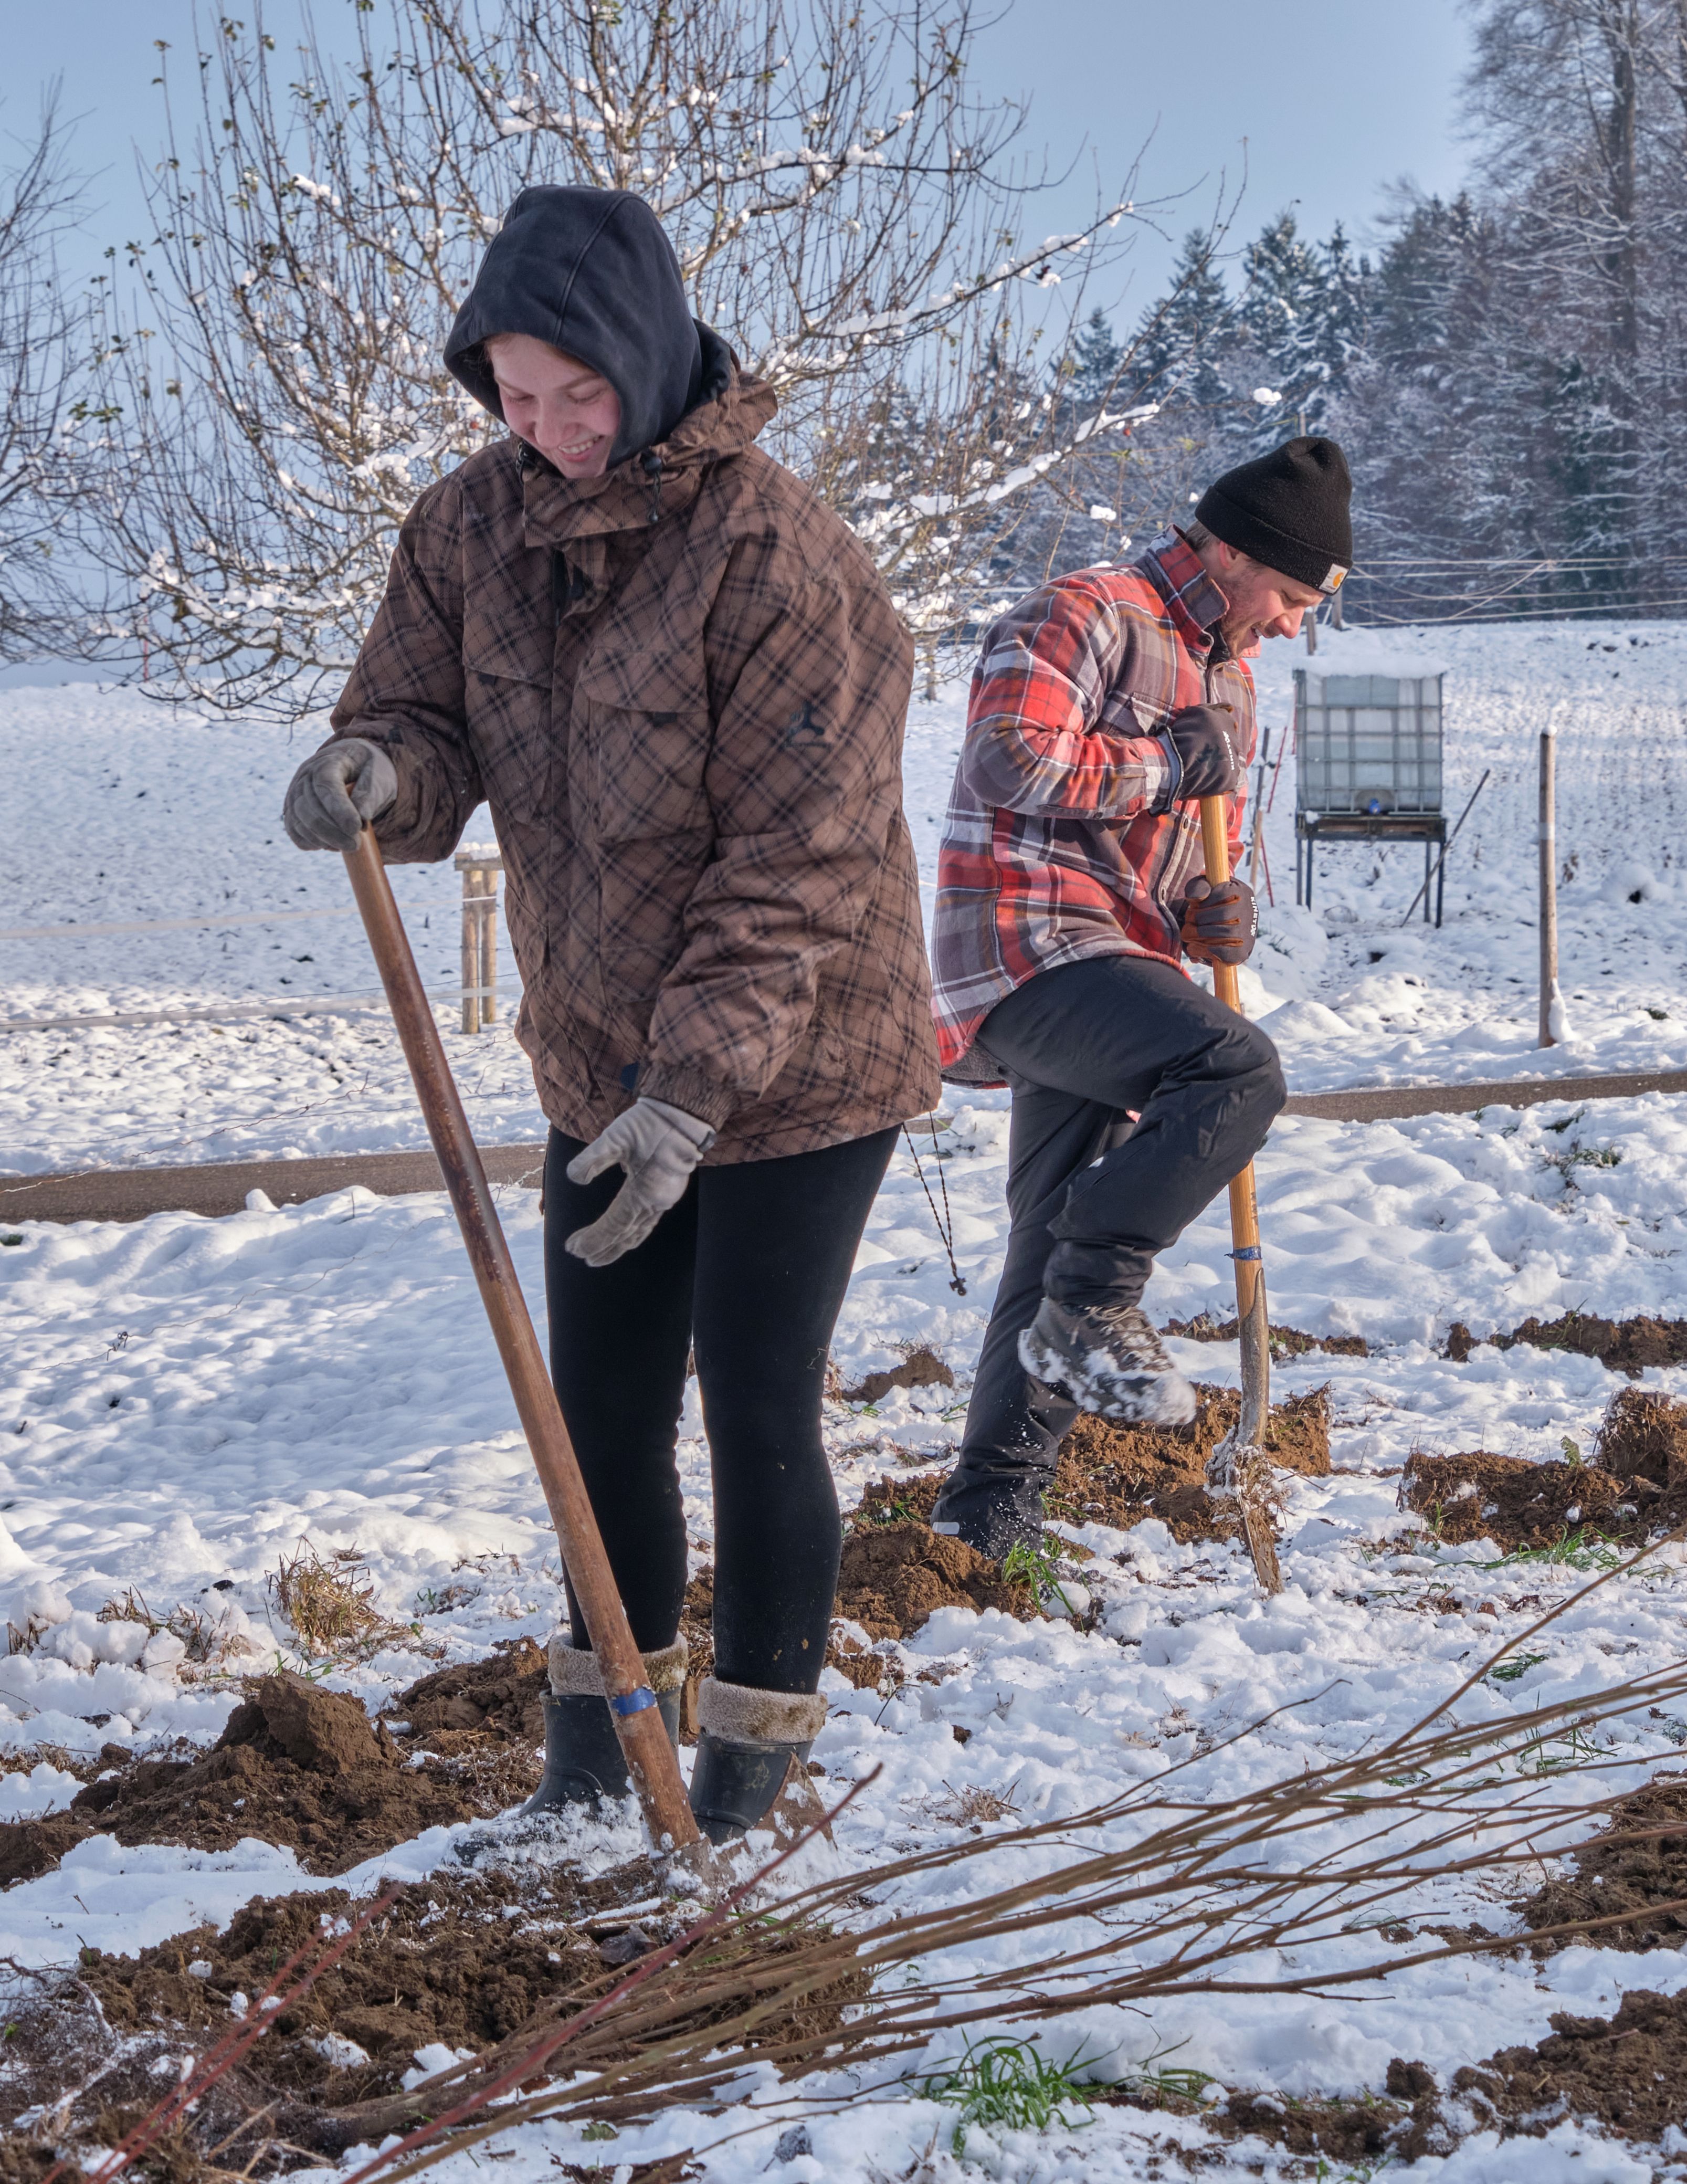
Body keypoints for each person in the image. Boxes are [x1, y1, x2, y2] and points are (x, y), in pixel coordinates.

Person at [281, 185, 940, 1840]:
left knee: (754, 1400)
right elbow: (422, 715)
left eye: (579, 394)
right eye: (514, 396)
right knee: (599, 1417)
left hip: (799, 1053)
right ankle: (596, 1766)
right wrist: (382, 775)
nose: (550, 430)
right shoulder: (465, 530)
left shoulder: (776, 552)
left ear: (646, 363)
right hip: (598, 1044)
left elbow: (797, 859)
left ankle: (742, 1786)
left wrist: (691, 1090)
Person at [925, 438, 1354, 1556]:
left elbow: (1194, 858)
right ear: (1229, 552)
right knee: (1232, 1069)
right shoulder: (1086, 612)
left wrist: (1217, 914)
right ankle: (1093, 1299)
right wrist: (1165, 761)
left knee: (1050, 1231)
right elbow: (1005, 759)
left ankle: (984, 1520)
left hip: (1122, 960)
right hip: (1026, 942)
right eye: (1289, 596)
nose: (1290, 625)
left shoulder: (1231, 681)